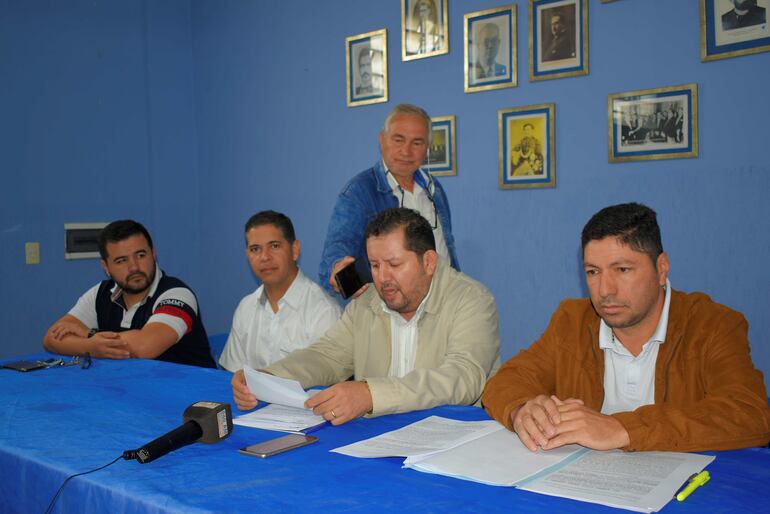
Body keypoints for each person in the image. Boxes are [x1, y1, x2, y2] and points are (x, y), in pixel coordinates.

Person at [483, 202, 770, 452]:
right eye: (593, 272)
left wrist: (622, 429)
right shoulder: (571, 320)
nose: (605, 290)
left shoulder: (712, 324)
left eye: (622, 270)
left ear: (661, 268)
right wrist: (522, 409)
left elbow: (748, 414)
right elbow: (507, 381)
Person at [234, 208, 500, 424]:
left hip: (448, 438)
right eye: (374, 265)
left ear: (429, 262)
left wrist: (371, 395)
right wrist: (270, 376)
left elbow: (462, 378)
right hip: (377, 438)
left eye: (394, 264)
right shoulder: (366, 301)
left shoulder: (471, 299)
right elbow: (326, 356)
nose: (383, 278)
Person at [319, 103, 460, 296]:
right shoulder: (358, 192)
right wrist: (337, 272)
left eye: (417, 143)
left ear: (427, 147)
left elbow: (446, 249)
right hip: (391, 305)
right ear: (382, 140)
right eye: (398, 140)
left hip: (444, 298)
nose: (406, 151)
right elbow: (336, 253)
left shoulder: (434, 188)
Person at [43, 220, 216, 368]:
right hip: (134, 390)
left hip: (191, 393)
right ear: (106, 267)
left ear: (153, 254)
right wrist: (90, 346)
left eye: (140, 255)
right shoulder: (100, 293)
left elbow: (144, 346)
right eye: (121, 261)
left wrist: (89, 335)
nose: (134, 267)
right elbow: (51, 338)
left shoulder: (177, 294)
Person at [220, 211, 341, 374]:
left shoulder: (324, 311)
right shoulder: (246, 307)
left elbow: (327, 380)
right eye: (255, 249)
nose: (264, 257)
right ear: (247, 255)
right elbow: (232, 375)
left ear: (295, 250)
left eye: (274, 246)